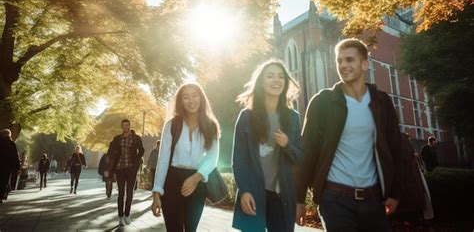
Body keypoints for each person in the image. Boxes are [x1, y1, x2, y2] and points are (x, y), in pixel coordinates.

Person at [295, 38, 403, 232]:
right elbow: (307, 151)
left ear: (364, 64)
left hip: (374, 200)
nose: (343, 65)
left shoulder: (382, 102)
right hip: (334, 200)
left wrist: (394, 193)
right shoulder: (322, 102)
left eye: (349, 60)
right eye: (339, 61)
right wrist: (298, 199)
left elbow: (395, 148)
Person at [231, 59, 304, 232]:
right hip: (254, 193)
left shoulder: (292, 118)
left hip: (282, 196)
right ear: (261, 82)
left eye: (280, 77)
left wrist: (287, 145)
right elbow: (239, 159)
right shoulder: (246, 117)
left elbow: (300, 157)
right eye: (270, 76)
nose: (276, 80)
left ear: (286, 83)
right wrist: (245, 191)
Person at [151, 83, 220, 232]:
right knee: (173, 229)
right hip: (172, 180)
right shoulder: (172, 125)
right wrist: (156, 193)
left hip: (197, 180)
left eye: (195, 95)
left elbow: (213, 156)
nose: (191, 100)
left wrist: (197, 177)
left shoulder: (210, 125)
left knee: (190, 229)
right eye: (186, 97)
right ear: (180, 101)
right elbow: (163, 159)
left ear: (201, 98)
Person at [105, 119, 145, 226]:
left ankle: (127, 214)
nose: (126, 127)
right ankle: (120, 216)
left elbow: (142, 150)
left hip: (132, 168)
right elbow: (110, 153)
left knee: (130, 192)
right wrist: (108, 168)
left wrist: (136, 159)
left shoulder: (136, 138)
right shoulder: (117, 139)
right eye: (124, 125)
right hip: (120, 168)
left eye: (127, 125)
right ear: (121, 127)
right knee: (121, 193)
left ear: (129, 126)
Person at [0, 129, 20, 203]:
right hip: (7, 166)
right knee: (4, 180)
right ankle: (1, 196)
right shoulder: (11, 144)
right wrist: (17, 167)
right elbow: (15, 156)